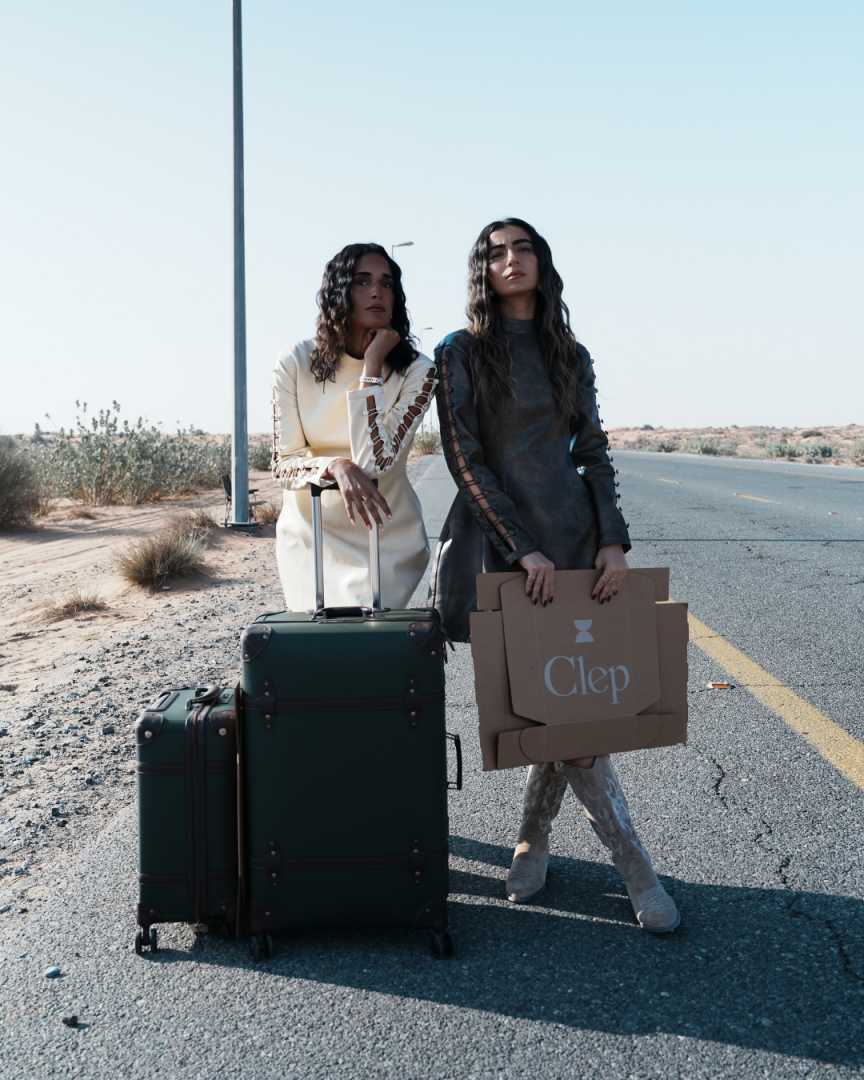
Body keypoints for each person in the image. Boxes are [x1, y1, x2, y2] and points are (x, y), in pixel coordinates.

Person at [431, 217, 680, 933]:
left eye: (523, 248)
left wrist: (613, 541)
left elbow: (593, 453)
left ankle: (535, 842)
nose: (511, 260)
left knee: (572, 708)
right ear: (482, 271)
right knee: (558, 711)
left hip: (576, 546)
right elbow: (465, 458)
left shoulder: (570, 353)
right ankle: (634, 866)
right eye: (496, 252)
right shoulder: (461, 351)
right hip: (506, 553)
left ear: (541, 261)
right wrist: (521, 547)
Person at [272, 243, 436, 611]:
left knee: (370, 641)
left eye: (386, 283)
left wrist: (372, 368)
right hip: (310, 539)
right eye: (362, 281)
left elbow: (374, 462)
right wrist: (335, 466)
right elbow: (283, 463)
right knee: (319, 644)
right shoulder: (295, 362)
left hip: (386, 539)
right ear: (339, 292)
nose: (377, 292)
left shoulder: (419, 371)